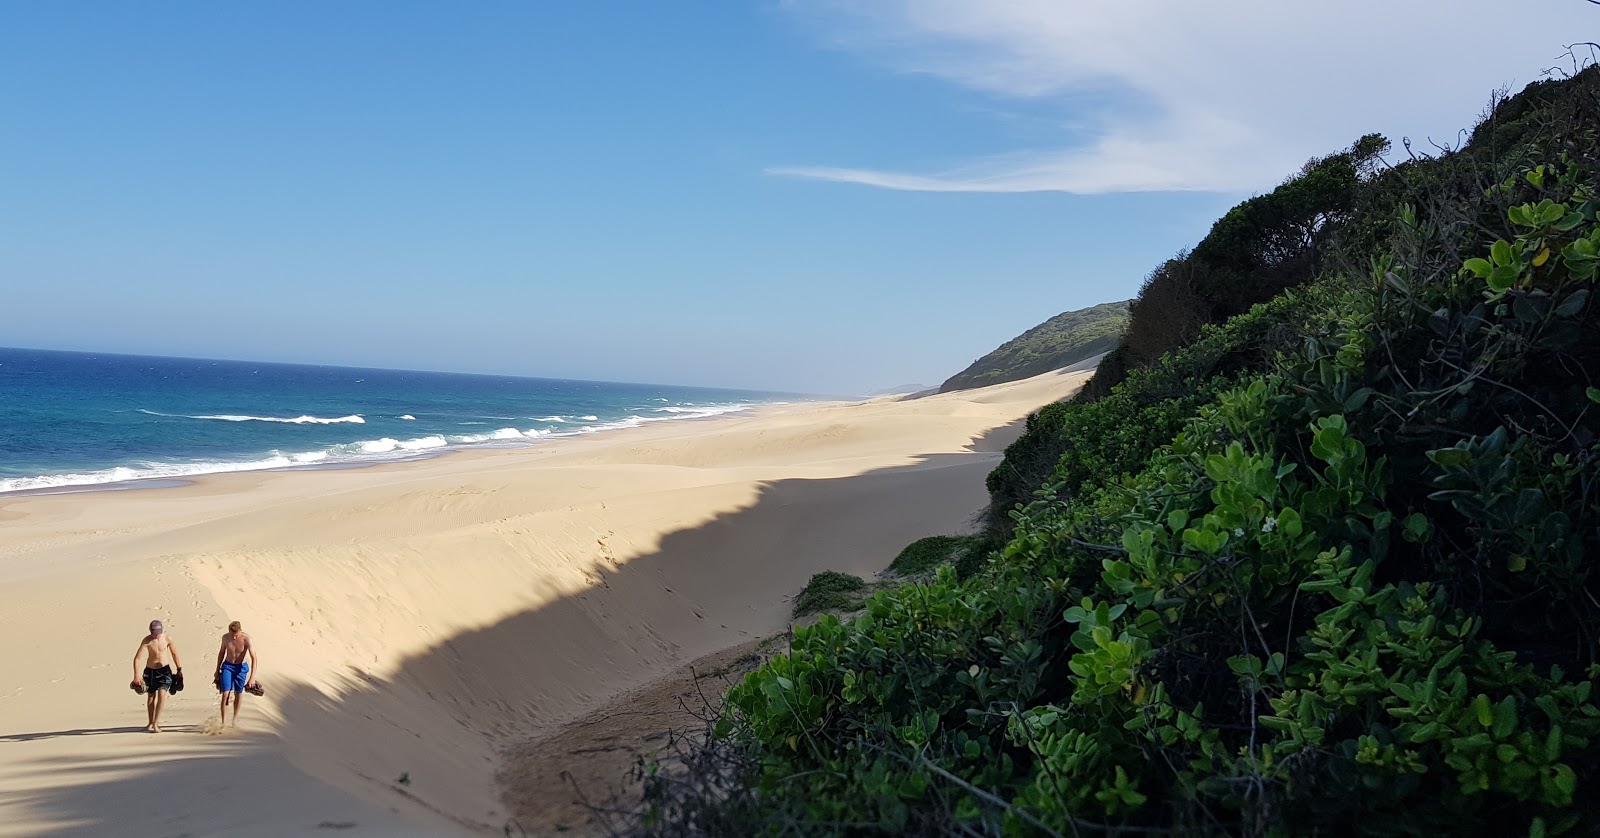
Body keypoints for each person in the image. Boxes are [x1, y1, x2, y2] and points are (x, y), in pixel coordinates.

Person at [131, 620, 182, 732]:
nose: (156, 635)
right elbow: (137, 658)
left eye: (158, 632)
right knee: (151, 697)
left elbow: (174, 654)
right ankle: (150, 722)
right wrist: (136, 676)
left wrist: (179, 669)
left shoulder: (168, 638)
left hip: (164, 671)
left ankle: (156, 723)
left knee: (162, 694)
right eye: (154, 632)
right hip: (150, 671)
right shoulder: (147, 640)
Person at [214, 620, 258, 728]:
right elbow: (221, 653)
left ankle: (234, 719)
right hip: (227, 667)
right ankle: (224, 723)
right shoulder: (225, 638)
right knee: (225, 693)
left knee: (238, 693)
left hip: (241, 668)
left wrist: (252, 677)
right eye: (232, 634)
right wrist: (217, 670)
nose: (234, 637)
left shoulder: (247, 639)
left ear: (240, 631)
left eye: (236, 635)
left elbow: (254, 658)